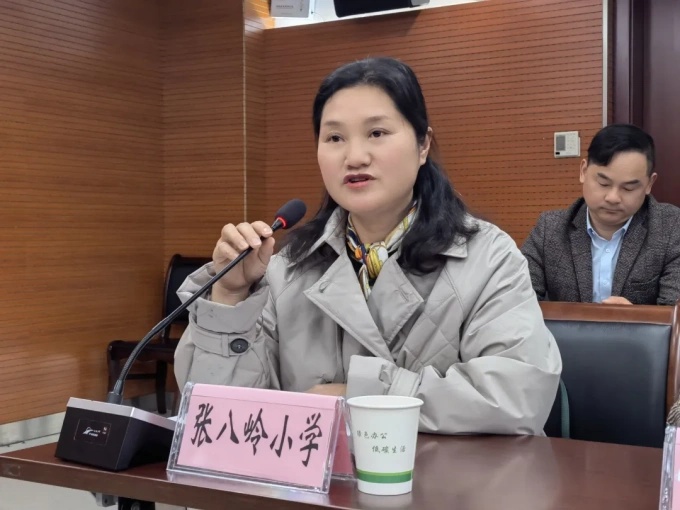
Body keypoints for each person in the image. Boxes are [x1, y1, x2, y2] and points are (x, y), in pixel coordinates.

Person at [174, 57, 561, 435]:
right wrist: (230, 297)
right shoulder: (287, 267)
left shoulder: (488, 257)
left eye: (377, 133)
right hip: (317, 479)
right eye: (334, 138)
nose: (355, 157)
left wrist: (363, 396)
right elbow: (219, 419)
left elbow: (516, 397)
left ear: (423, 145)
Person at [522, 124, 680, 305]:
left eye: (628, 188)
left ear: (649, 184)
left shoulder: (672, 228)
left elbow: (675, 313)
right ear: (583, 171)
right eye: (603, 184)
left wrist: (638, 318)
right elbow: (517, 301)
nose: (613, 198)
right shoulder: (549, 229)